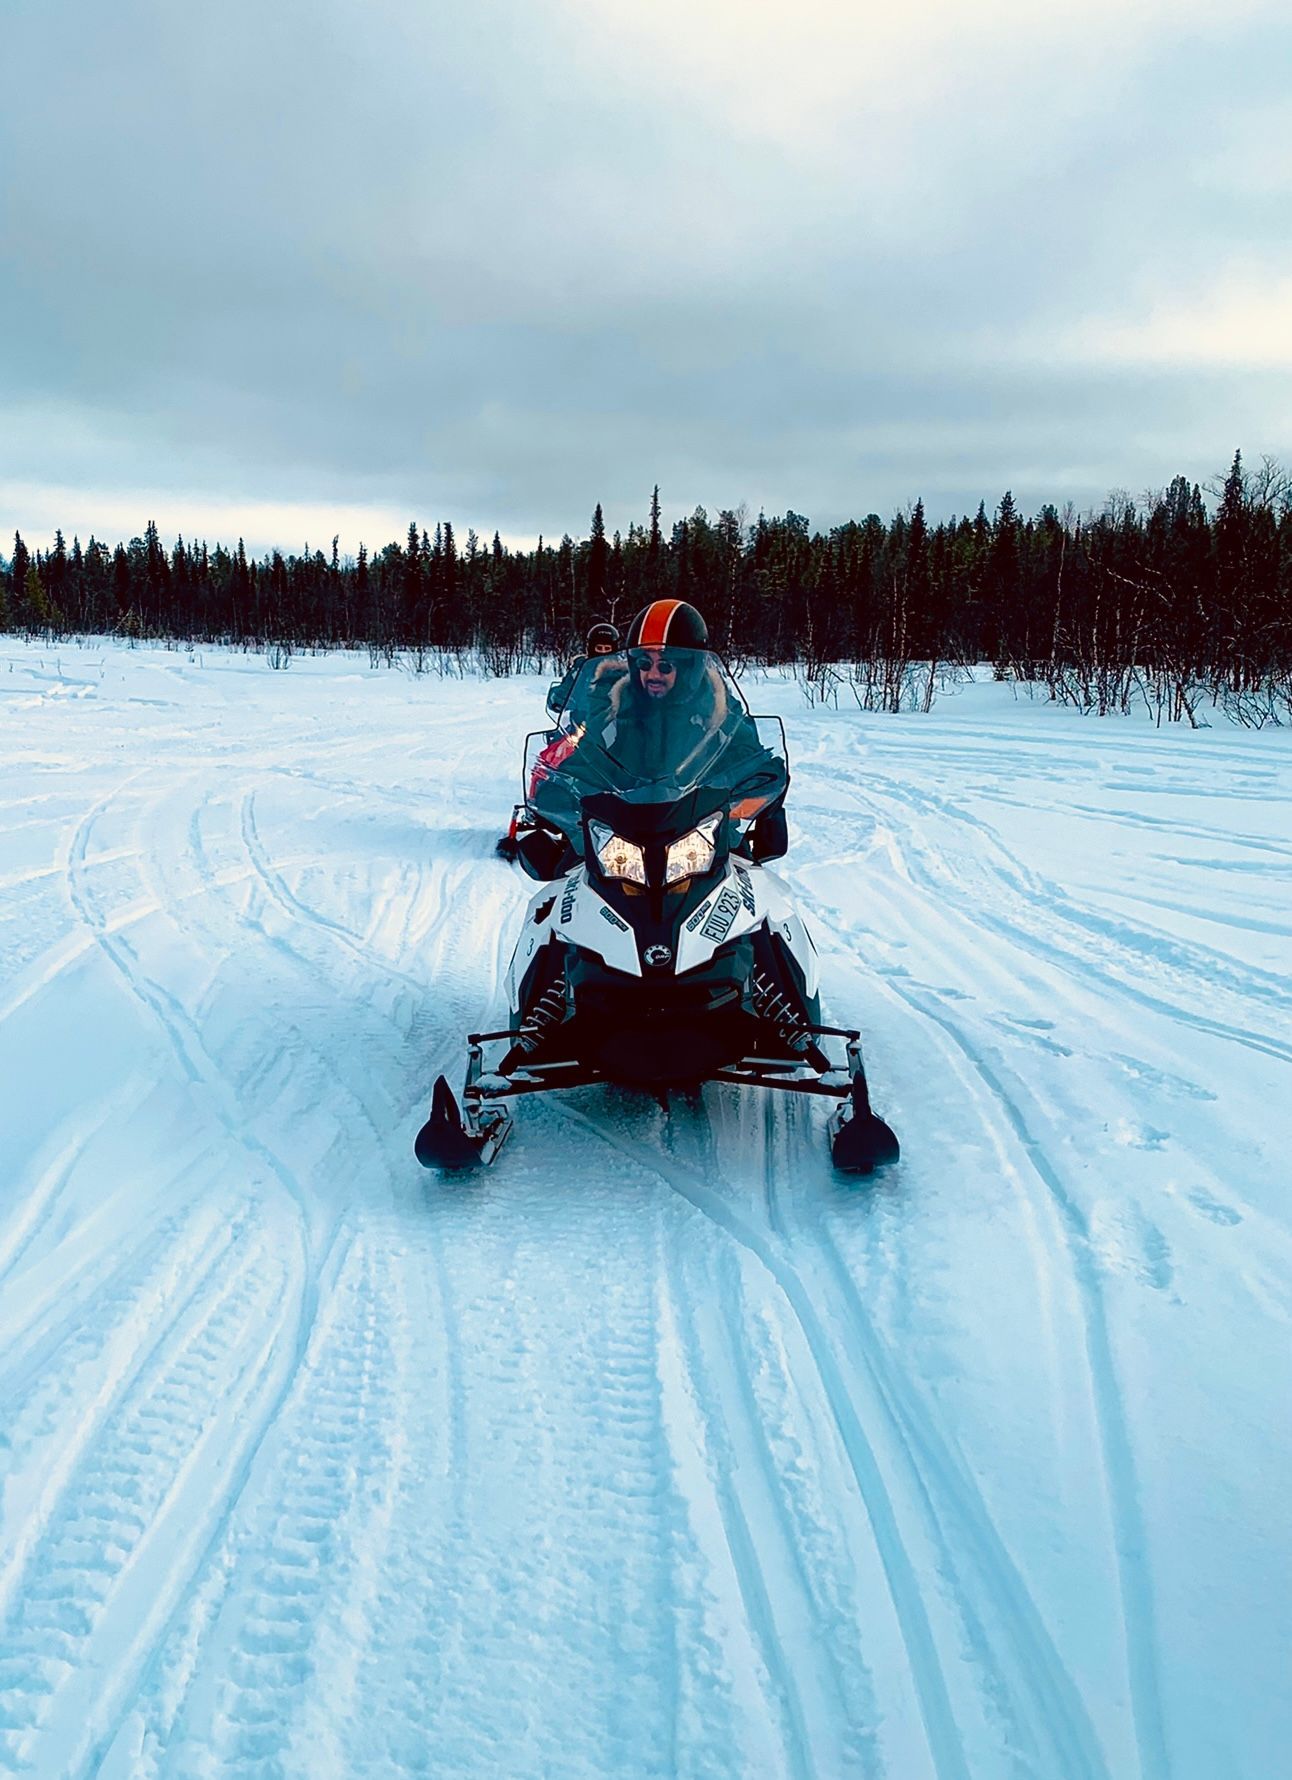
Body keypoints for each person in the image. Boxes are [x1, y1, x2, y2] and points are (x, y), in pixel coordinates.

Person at [546, 621, 621, 722]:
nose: (603, 652)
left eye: (607, 649)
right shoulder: (580, 670)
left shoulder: (622, 671)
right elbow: (566, 688)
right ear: (591, 648)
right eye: (599, 648)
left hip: (614, 724)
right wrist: (559, 698)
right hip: (582, 722)